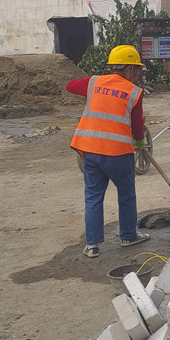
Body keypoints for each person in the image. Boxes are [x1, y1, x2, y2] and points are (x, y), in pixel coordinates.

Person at [67, 44, 150, 259]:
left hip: (90, 150)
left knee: (93, 197)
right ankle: (128, 236)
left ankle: (92, 245)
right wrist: (139, 142)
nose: (137, 74)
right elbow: (137, 125)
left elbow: (70, 86)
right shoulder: (133, 91)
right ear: (129, 69)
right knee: (126, 195)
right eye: (136, 70)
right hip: (118, 152)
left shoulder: (94, 82)